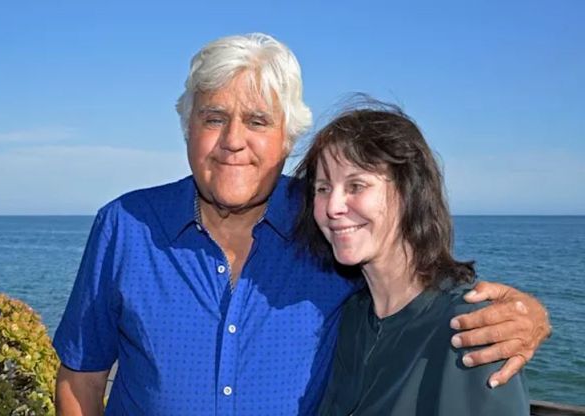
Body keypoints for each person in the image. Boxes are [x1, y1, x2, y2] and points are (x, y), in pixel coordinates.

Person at [53, 33, 549, 415]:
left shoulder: (330, 229)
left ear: (288, 138)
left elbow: (415, 292)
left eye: (258, 121)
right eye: (213, 118)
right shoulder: (126, 226)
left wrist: (529, 316)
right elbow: (81, 377)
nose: (233, 140)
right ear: (187, 127)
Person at [294, 100, 530, 415]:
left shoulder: (470, 327)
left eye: (356, 185)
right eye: (323, 188)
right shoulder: (353, 318)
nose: (333, 206)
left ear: (409, 192)